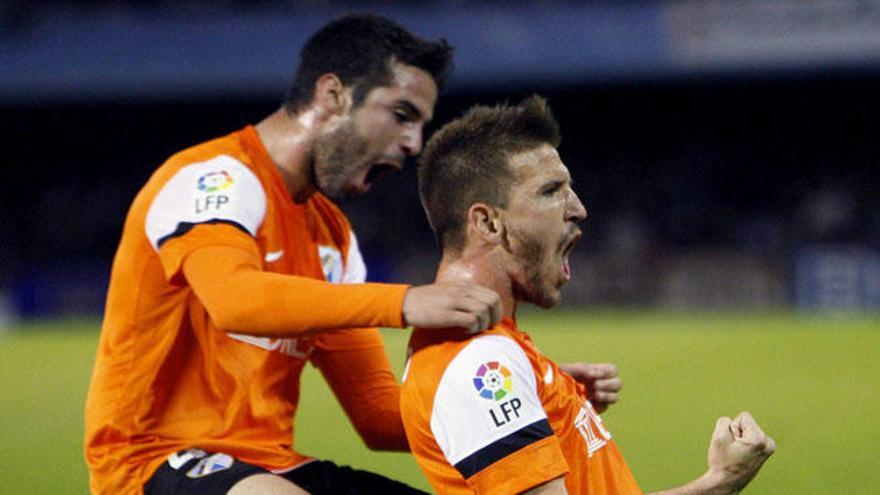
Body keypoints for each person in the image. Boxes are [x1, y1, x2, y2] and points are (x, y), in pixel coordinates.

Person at [83, 14, 511, 495]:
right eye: (402, 114)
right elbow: (236, 301)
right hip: (149, 461)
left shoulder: (332, 236)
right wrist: (404, 302)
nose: (414, 143)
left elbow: (378, 416)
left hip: (268, 467)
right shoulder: (214, 179)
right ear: (333, 95)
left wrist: (523, 402)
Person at [400, 96, 776, 495]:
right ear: (489, 222)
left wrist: (546, 395)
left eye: (570, 189)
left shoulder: (492, 346)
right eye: (551, 191)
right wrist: (719, 482)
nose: (578, 208)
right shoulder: (475, 361)